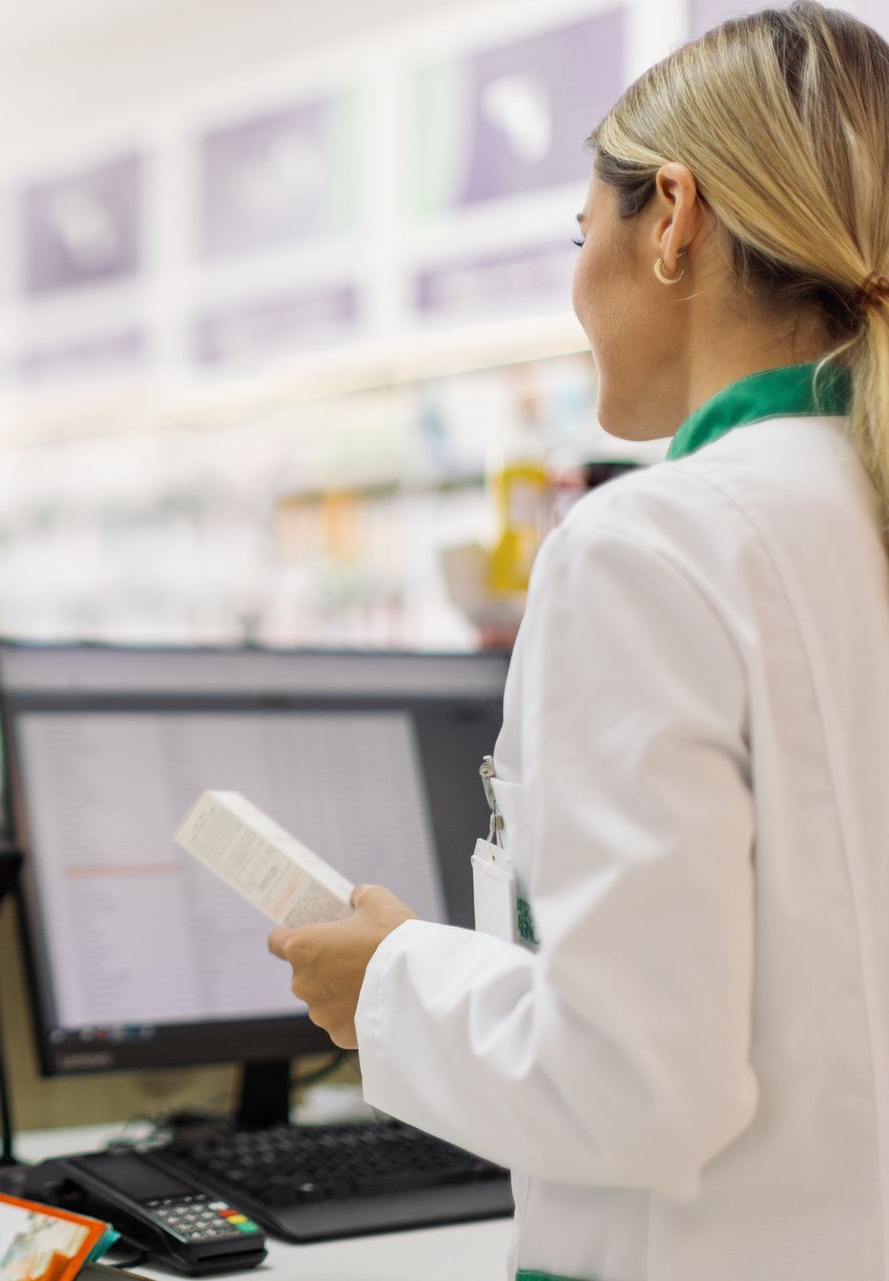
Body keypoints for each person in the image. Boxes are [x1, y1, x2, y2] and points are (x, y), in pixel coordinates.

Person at [269, 5, 889, 1277]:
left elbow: (634, 1082)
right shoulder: (846, 507)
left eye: (578, 230)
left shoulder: (654, 545)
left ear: (672, 217)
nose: (575, 283)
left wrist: (388, 981)